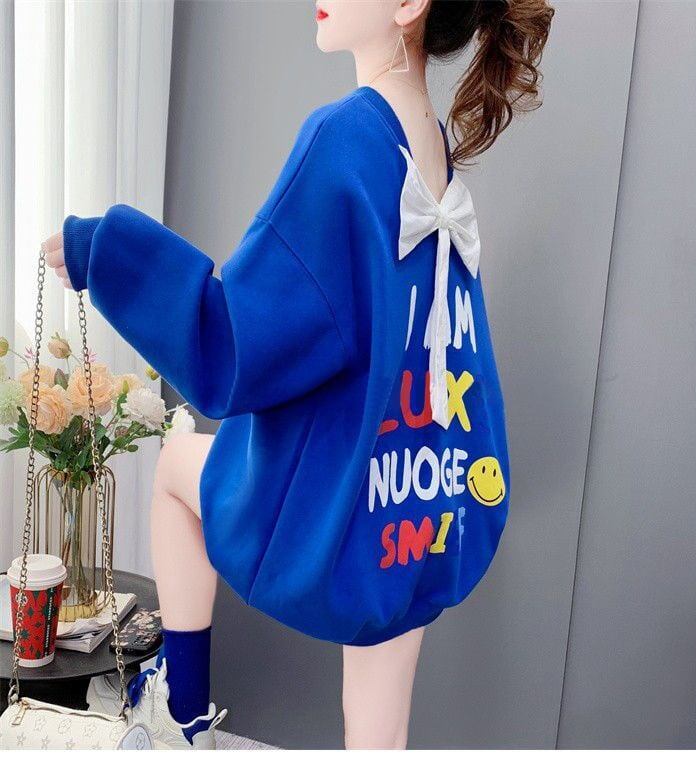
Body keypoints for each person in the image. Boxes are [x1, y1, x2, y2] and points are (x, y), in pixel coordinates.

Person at [42, 0, 553, 750]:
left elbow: (233, 342)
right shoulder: (431, 146)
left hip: (341, 495)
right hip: (413, 496)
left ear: (408, 5)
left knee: (177, 470)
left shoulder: (343, 138)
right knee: (378, 730)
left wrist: (105, 251)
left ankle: (184, 721)